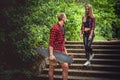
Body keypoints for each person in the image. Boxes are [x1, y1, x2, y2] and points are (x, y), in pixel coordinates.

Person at [48, 13, 69, 80]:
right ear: (62, 18)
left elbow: (62, 42)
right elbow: (51, 42)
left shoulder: (63, 28)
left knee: (65, 67)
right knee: (52, 68)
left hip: (61, 50)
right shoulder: (54, 28)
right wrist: (51, 54)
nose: (66, 19)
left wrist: (65, 52)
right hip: (55, 51)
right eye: (65, 17)